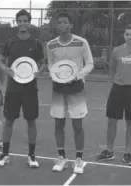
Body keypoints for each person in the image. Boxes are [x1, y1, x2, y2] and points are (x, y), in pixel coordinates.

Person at [0, 9, 45, 168]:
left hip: (30, 89)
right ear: (17, 23)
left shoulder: (36, 43)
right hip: (12, 89)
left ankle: (31, 156)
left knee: (31, 121)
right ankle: (5, 154)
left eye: (25, 21)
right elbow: (1, 62)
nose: (23, 24)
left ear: (29, 23)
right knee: (9, 120)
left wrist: (40, 71)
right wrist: (6, 69)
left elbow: (43, 63)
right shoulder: (10, 42)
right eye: (20, 21)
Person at [47, 12, 94, 174]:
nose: (61, 25)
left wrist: (77, 76)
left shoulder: (81, 42)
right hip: (58, 89)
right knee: (59, 124)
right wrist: (54, 74)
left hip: (76, 88)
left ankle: (79, 159)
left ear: (70, 25)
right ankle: (62, 158)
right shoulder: (51, 45)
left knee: (77, 125)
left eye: (64, 22)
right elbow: (50, 64)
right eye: (59, 23)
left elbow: (89, 64)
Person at [97, 24, 131, 165]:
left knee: (130, 122)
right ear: (124, 35)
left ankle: (128, 152)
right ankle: (109, 151)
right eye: (128, 34)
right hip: (118, 89)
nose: (130, 37)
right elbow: (112, 67)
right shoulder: (117, 51)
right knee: (112, 120)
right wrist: (114, 78)